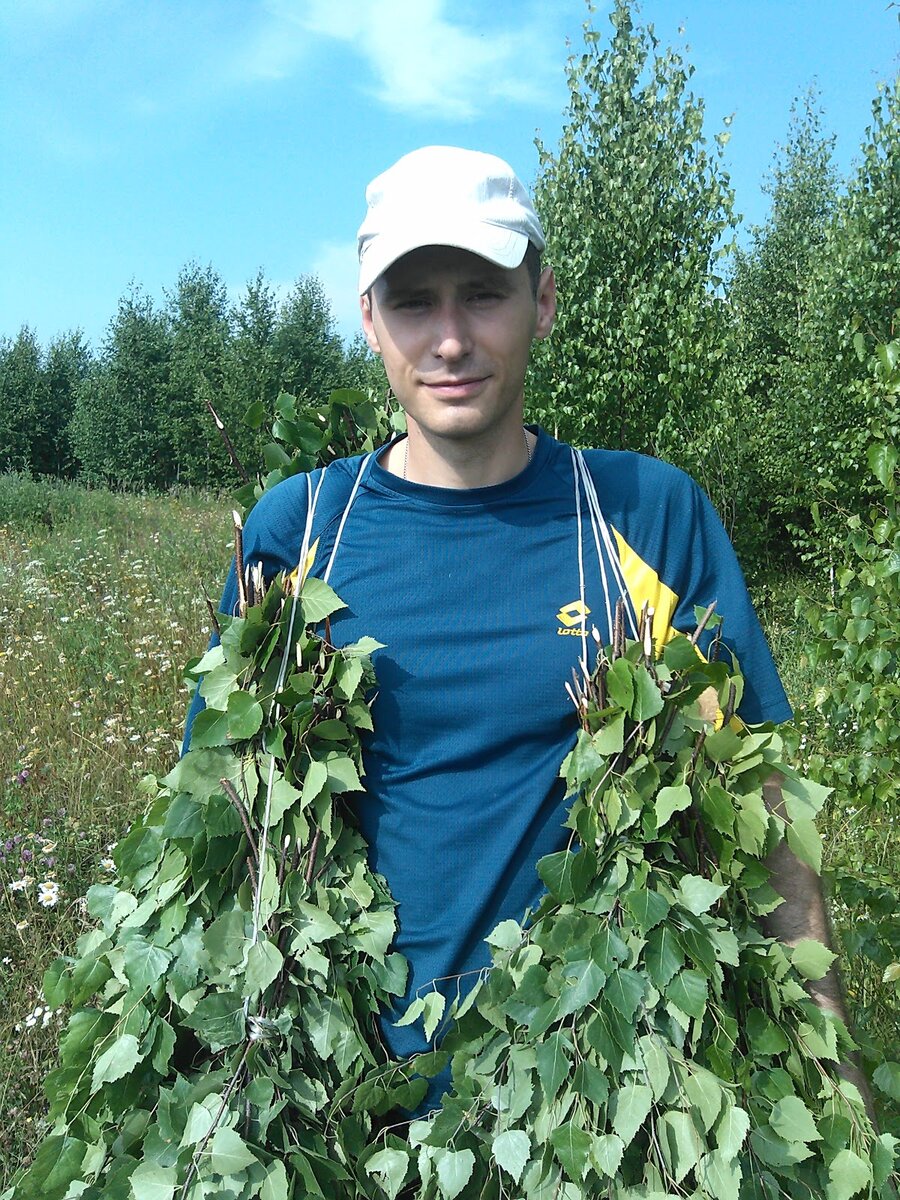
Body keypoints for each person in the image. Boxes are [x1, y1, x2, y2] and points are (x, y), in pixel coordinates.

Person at [189, 144, 851, 1108]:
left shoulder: (644, 516)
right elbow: (224, 825)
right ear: (369, 319)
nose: (449, 339)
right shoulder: (300, 536)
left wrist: (835, 1092)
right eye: (414, 302)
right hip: (339, 1122)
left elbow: (773, 829)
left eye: (483, 293)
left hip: (603, 1120)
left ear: (542, 302)